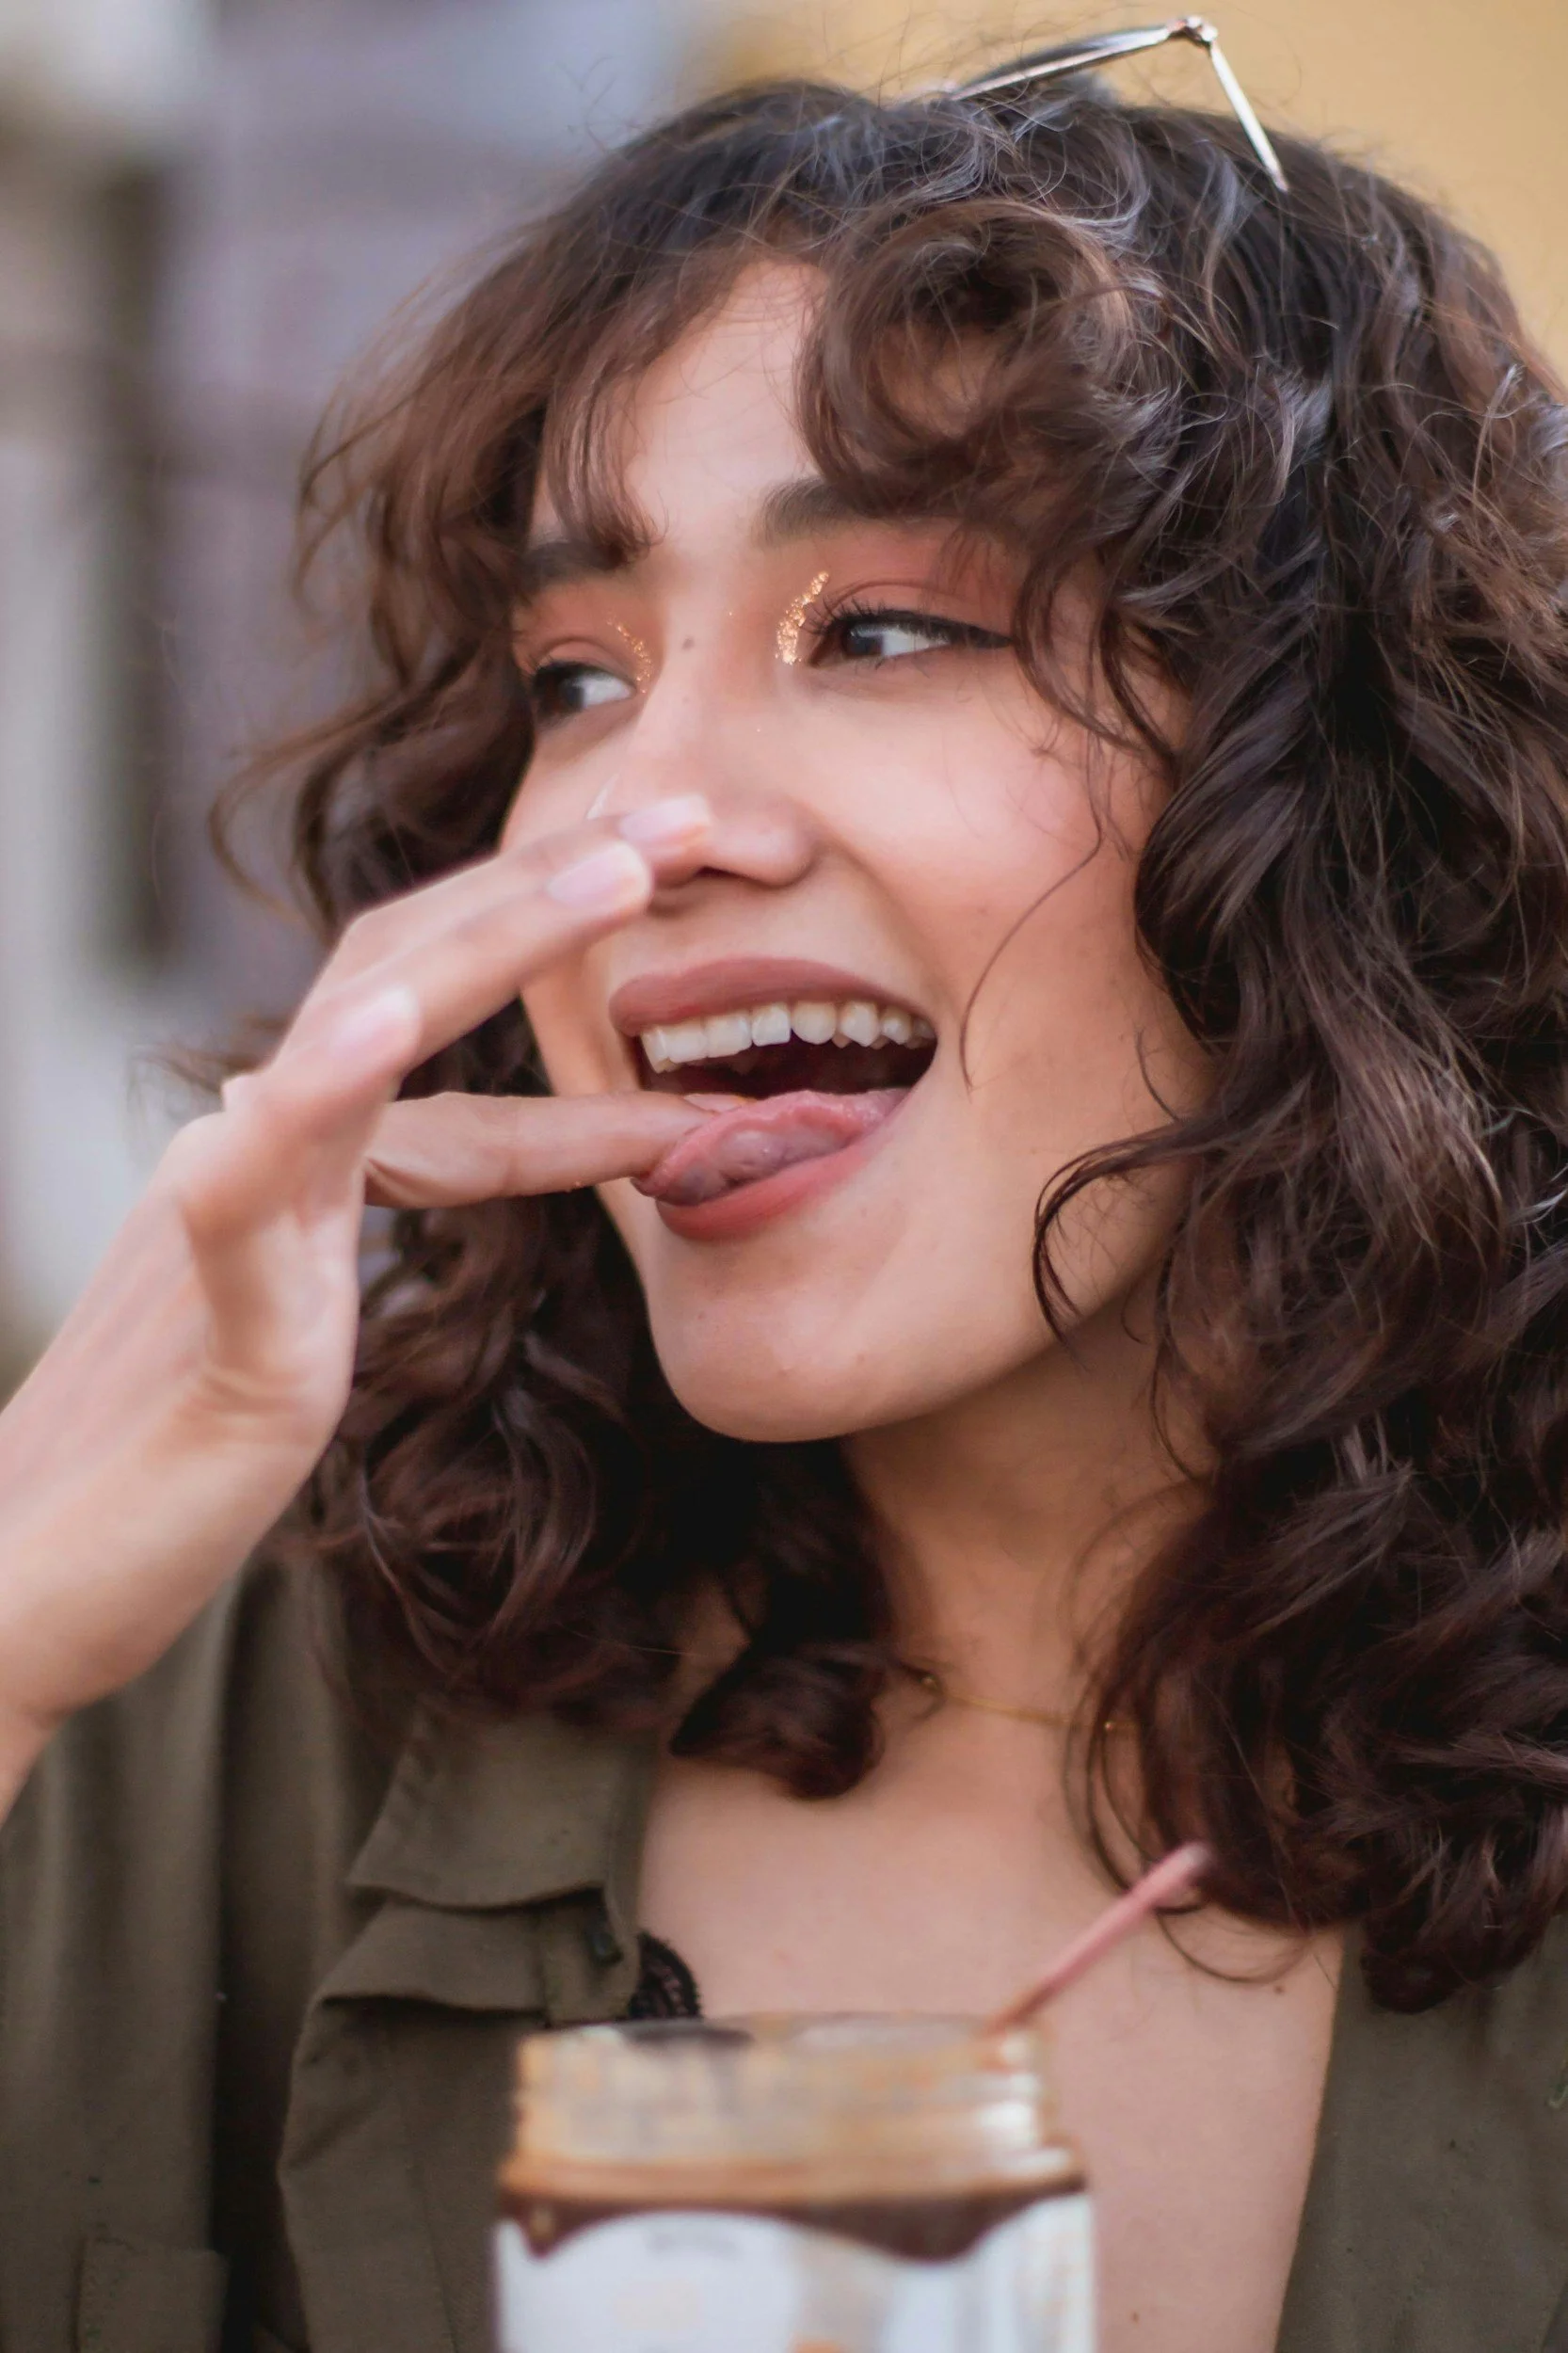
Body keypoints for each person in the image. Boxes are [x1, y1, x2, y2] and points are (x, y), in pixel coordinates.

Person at [4, 38, 1568, 2353]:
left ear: (1333, 779)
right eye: (571, 676)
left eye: (883, 629)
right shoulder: (220, 1684)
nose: (650, 819)